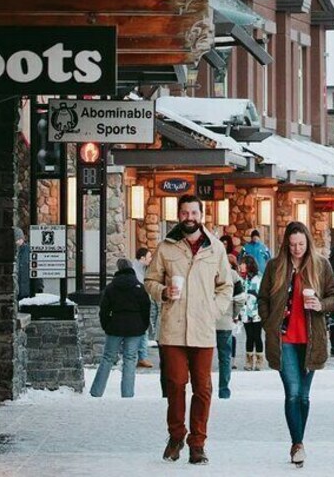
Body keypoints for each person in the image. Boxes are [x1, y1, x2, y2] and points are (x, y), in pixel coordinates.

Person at [144, 194, 234, 466]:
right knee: (175, 383)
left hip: (203, 329)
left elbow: (226, 287)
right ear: (178, 215)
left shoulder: (215, 249)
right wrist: (163, 292)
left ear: (201, 215)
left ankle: (198, 443)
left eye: (193, 213)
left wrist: (213, 310)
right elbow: (150, 280)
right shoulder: (166, 247)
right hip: (173, 328)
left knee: (203, 388)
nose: (189, 218)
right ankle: (176, 435)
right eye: (184, 213)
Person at [258, 221, 334, 467]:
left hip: (311, 338)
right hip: (284, 339)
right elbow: (262, 297)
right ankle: (297, 444)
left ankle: (298, 441)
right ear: (286, 244)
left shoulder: (320, 265)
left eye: (301, 244)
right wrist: (268, 322)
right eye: (292, 244)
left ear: (308, 243)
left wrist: (320, 305)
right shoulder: (275, 266)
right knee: (292, 393)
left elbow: (333, 297)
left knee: (304, 396)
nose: (296, 248)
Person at [90, 258, 151, 398]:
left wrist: (107, 325)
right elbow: (146, 308)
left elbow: (104, 309)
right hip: (135, 327)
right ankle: (127, 393)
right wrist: (143, 326)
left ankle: (96, 391)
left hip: (115, 326)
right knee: (130, 359)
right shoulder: (139, 287)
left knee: (107, 358)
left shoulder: (111, 287)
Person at [216, 268, 246, 399]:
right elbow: (240, 298)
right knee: (225, 357)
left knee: (201, 358)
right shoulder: (232, 274)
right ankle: (223, 390)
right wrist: (233, 314)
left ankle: (203, 389)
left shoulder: (202, 269)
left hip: (203, 321)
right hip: (224, 320)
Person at [238, 255, 264, 371]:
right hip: (245, 312)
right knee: (249, 336)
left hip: (256, 311)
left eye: (243, 263)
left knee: (257, 336)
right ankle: (249, 360)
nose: (241, 266)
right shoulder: (241, 279)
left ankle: (259, 360)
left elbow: (263, 294)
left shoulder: (258, 278)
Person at [134, 247, 155, 369]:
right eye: (149, 257)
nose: (151, 259)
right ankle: (142, 357)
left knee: (144, 330)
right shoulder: (136, 270)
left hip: (142, 303)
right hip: (138, 305)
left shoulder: (142, 269)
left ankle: (142, 357)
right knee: (143, 330)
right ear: (142, 258)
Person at [15, 228, 31, 300]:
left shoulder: (29, 251)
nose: (17, 242)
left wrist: (39, 288)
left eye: (19, 239)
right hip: (16, 291)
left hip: (27, 292)